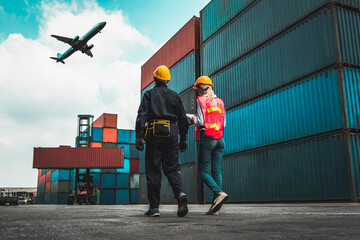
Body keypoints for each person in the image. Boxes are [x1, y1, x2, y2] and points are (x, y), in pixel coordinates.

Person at [135, 65, 189, 217]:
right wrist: (183, 139)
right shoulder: (175, 96)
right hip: (172, 132)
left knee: (153, 169)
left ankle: (154, 208)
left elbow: (142, 115)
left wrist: (138, 136)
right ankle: (179, 194)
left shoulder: (149, 94)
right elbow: (183, 120)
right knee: (172, 168)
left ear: (155, 78)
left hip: (154, 132)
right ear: (167, 80)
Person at [191, 76, 228, 215]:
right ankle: (215, 206)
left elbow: (200, 121)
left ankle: (219, 193)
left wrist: (191, 119)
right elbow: (223, 124)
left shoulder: (201, 100)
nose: (197, 91)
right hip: (220, 139)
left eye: (197, 88)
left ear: (201, 88)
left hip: (207, 138)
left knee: (202, 171)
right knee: (216, 171)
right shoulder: (220, 102)